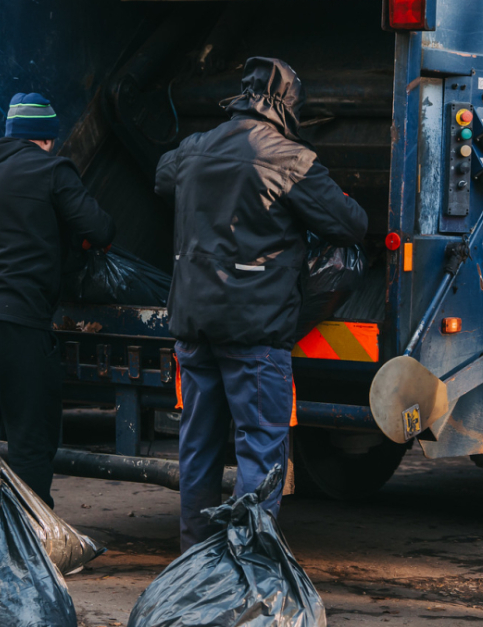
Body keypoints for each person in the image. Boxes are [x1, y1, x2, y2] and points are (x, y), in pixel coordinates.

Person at [155, 56, 367, 551]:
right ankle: (248, 566)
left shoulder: (192, 149)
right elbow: (350, 223)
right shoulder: (289, 158)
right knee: (259, 451)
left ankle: (195, 558)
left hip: (193, 325)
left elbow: (164, 177)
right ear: (288, 107)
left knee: (198, 448)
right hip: (255, 331)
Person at [0, 92, 115, 508]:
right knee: (30, 438)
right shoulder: (51, 170)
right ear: (44, 138)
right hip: (16, 321)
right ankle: (28, 545)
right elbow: (99, 229)